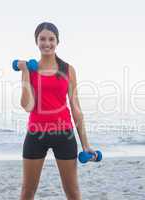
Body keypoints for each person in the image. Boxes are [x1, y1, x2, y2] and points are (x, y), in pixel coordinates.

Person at [18, 22, 96, 200]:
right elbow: (27, 106)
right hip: (36, 134)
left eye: (51, 39)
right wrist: (24, 73)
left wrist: (85, 144)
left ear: (57, 41)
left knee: (72, 191)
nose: (47, 43)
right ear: (36, 42)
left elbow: (76, 107)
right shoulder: (31, 70)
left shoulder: (68, 70)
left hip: (64, 134)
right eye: (42, 39)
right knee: (27, 191)